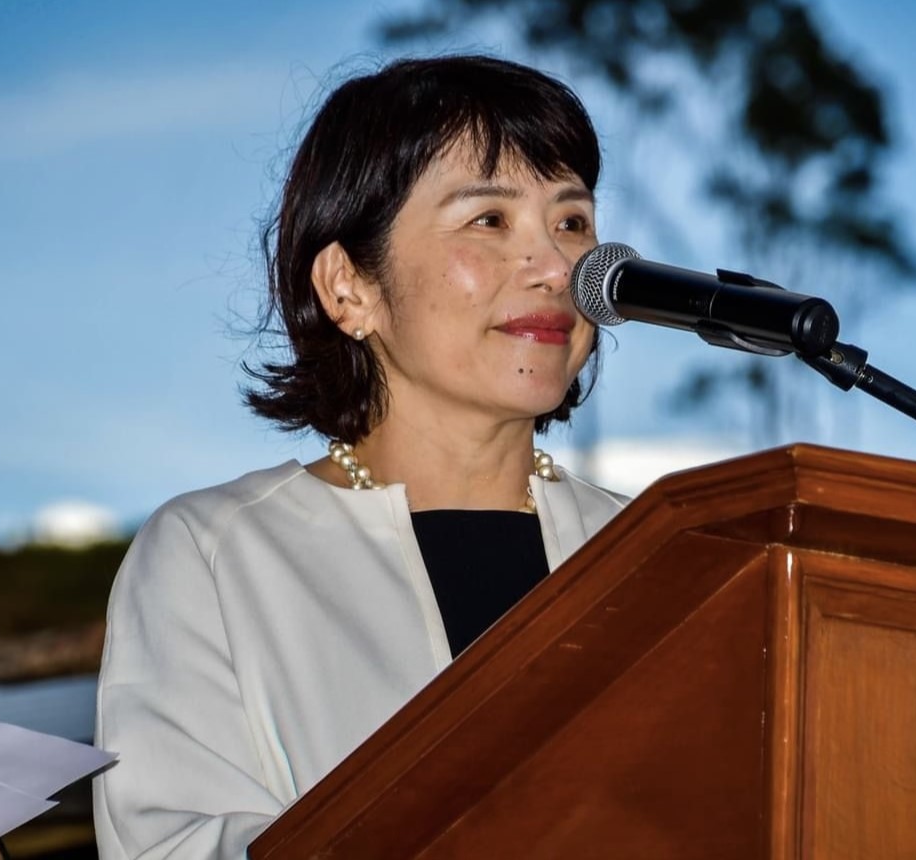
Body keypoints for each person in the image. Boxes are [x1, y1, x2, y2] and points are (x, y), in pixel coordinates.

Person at [92, 55, 626, 858]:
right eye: (489, 219)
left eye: (573, 222)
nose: (556, 267)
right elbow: (174, 844)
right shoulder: (213, 555)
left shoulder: (655, 553)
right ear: (348, 287)